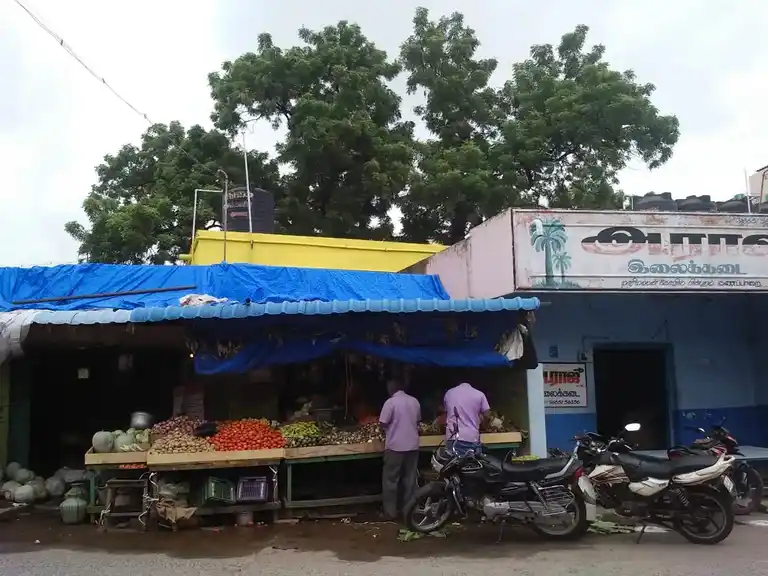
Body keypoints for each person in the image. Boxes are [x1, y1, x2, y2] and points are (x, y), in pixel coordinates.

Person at [378, 378, 421, 520]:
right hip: (412, 446)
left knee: (391, 480)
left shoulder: (390, 403)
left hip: (395, 447)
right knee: (410, 479)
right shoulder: (414, 401)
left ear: (392, 388)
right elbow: (417, 421)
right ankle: (408, 511)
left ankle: (390, 513)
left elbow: (383, 423)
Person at [443, 381, 490, 456]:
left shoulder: (449, 393)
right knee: (471, 464)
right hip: (471, 437)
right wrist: (483, 427)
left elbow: (445, 414)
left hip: (453, 437)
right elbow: (487, 415)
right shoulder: (479, 394)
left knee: (452, 465)